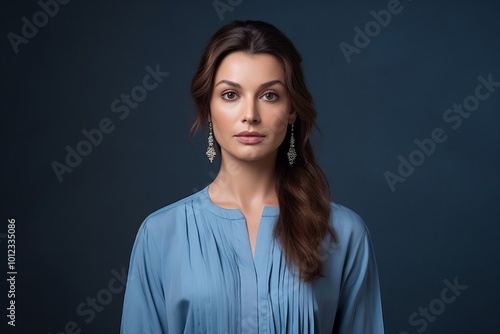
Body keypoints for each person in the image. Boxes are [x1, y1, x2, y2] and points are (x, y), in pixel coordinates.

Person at [120, 20, 384, 333]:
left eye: (269, 95)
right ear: (208, 107)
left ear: (291, 111)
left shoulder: (344, 233)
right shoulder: (161, 234)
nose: (250, 114)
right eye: (230, 94)